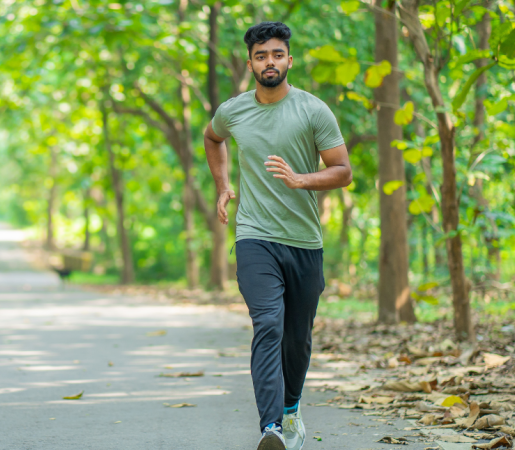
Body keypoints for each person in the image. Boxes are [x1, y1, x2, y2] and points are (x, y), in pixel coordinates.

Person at [203, 21, 352, 450]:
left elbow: (343, 172)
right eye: (261, 55)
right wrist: (223, 184)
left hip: (304, 241)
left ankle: (291, 412)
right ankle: (270, 429)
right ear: (250, 63)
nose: (270, 61)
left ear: (290, 59)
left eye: (277, 54)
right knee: (267, 323)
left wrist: (301, 180)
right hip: (254, 235)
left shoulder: (313, 110)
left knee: (297, 338)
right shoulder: (234, 110)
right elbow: (213, 138)